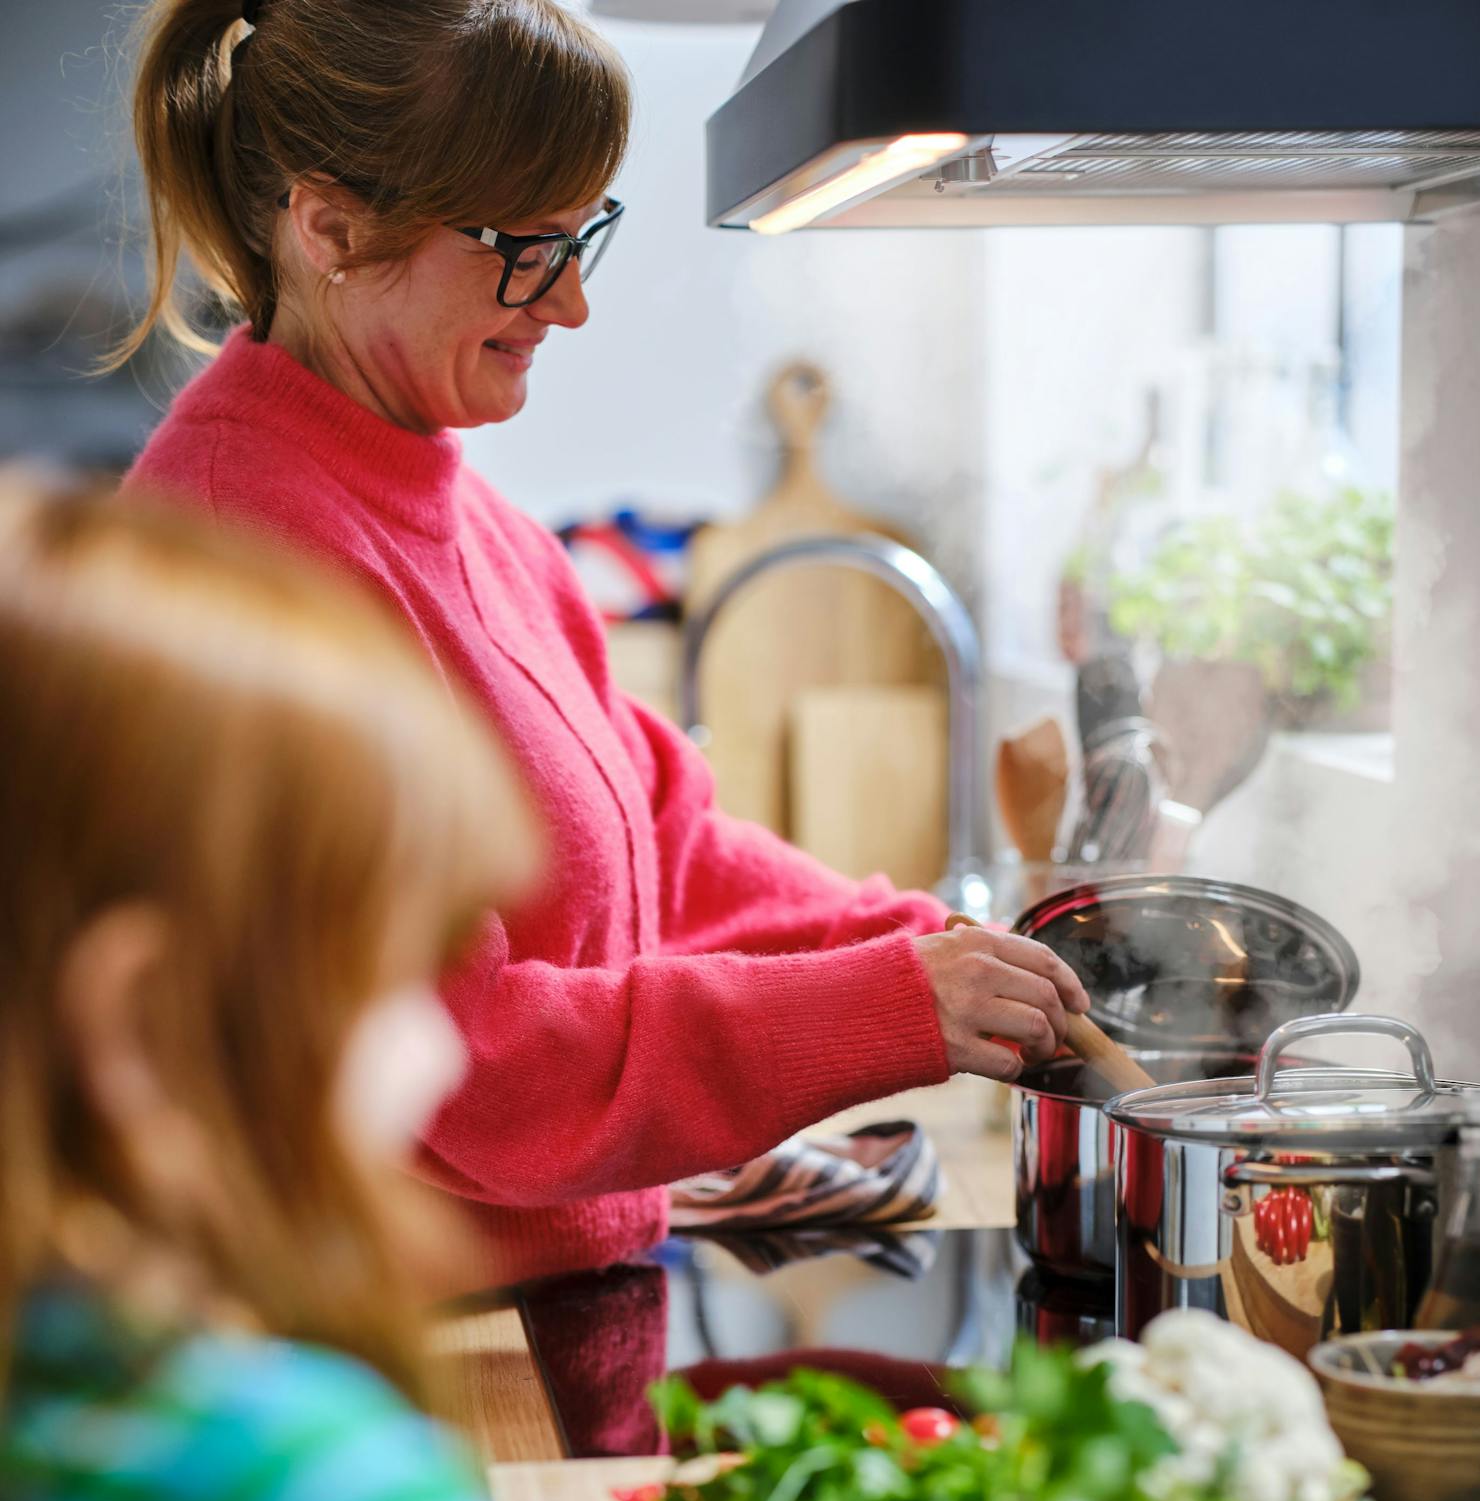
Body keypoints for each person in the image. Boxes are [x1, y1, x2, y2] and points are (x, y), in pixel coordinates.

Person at [0, 470, 1426, 1501]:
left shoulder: (74, 1437)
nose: (444, 1049)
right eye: (387, 976)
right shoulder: (255, 1500)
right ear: (144, 1025)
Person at [117, 0, 1089, 1290]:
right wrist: (892, 1006)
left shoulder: (467, 517)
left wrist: (929, 951)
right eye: (525, 248)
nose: (570, 302)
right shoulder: (250, 564)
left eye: (584, 236)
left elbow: (666, 841)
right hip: (377, 1346)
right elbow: (461, 1059)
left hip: (537, 1278)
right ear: (332, 228)